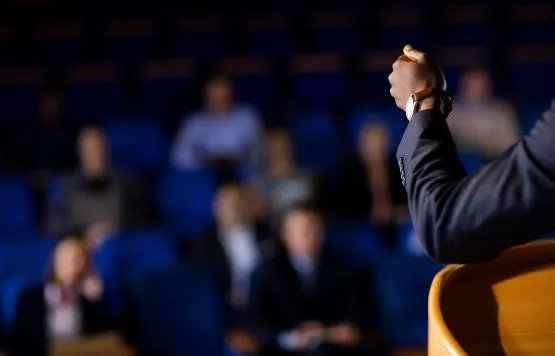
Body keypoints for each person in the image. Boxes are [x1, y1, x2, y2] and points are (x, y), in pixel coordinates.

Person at [388, 44, 555, 263]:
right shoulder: (454, 109)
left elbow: (444, 224)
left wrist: (422, 101)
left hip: (489, 176)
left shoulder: (501, 111)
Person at [247, 203, 372, 356]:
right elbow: (255, 322)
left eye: (316, 230)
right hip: (284, 348)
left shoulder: (343, 267)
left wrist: (325, 333)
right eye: (303, 231)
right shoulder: (266, 272)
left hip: (332, 347)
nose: (311, 236)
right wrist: (292, 338)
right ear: (286, 235)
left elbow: (355, 315)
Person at [9, 237, 113, 356]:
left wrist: (97, 299)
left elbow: (103, 339)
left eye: (79, 258)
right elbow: (17, 341)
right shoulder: (30, 298)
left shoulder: (89, 299)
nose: (72, 263)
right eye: (66, 256)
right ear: (55, 258)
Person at [46, 126, 146, 246]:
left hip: (119, 246)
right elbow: (54, 225)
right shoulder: (66, 186)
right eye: (90, 151)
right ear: (80, 152)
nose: (96, 156)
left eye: (99, 149)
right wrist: (85, 233)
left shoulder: (125, 183)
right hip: (79, 246)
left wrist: (114, 230)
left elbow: (139, 222)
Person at [193, 183, 276, 313]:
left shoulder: (265, 231)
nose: (233, 208)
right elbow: (205, 282)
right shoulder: (205, 243)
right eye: (227, 204)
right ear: (216, 208)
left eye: (237, 202)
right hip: (228, 306)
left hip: (268, 297)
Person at [171, 75, 265, 177]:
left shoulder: (248, 117)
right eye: (213, 98)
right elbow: (179, 157)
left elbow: (259, 149)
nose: (218, 103)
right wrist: (205, 161)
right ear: (205, 97)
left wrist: (240, 159)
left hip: (242, 172)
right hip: (203, 174)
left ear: (231, 95)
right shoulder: (194, 122)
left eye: (222, 98)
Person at [340, 123, 407, 245]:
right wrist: (372, 214)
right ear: (362, 145)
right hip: (362, 225)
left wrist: (393, 212)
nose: (377, 147)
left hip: (395, 225)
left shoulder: (397, 168)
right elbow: (345, 207)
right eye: (371, 143)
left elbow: (407, 201)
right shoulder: (351, 171)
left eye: (381, 142)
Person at [447, 69, 520, 158]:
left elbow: (512, 145)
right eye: (471, 83)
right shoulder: (450, 111)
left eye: (480, 84)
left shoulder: (502, 111)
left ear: (488, 85)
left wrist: (489, 147)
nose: (475, 88)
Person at [250, 128, 314, 224]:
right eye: (274, 147)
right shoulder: (257, 183)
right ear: (267, 150)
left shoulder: (307, 176)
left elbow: (312, 208)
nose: (279, 151)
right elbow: (255, 214)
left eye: (283, 146)